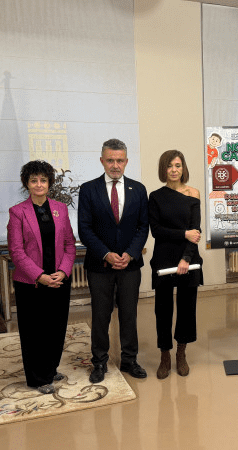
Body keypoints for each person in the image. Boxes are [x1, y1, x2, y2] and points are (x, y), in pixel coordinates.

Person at [78, 139, 149, 381]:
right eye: (110, 160)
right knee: (101, 315)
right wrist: (106, 254)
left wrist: (130, 254)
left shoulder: (138, 190)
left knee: (129, 314)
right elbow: (85, 229)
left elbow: (142, 227)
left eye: (120, 160)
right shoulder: (88, 189)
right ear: (102, 161)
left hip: (130, 265)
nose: (115, 165)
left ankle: (129, 360)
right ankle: (99, 362)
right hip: (99, 265)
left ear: (127, 162)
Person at [7, 160, 76, 394]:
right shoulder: (18, 212)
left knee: (56, 327)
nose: (39, 184)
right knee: (34, 332)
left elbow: (69, 244)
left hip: (59, 279)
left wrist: (64, 272)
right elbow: (16, 251)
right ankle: (38, 378)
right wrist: (40, 276)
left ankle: (50, 367)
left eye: (43, 180)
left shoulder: (61, 208)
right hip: (31, 283)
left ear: (49, 183)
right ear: (27, 183)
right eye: (34, 180)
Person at [148, 150, 203, 379]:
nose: (174, 170)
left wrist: (186, 259)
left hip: (188, 259)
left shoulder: (193, 193)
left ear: (183, 168)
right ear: (163, 169)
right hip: (163, 258)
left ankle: (181, 353)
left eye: (178, 165)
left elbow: (196, 232)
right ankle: (165, 355)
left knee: (187, 308)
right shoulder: (155, 196)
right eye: (169, 165)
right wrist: (183, 234)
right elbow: (156, 230)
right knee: (163, 309)